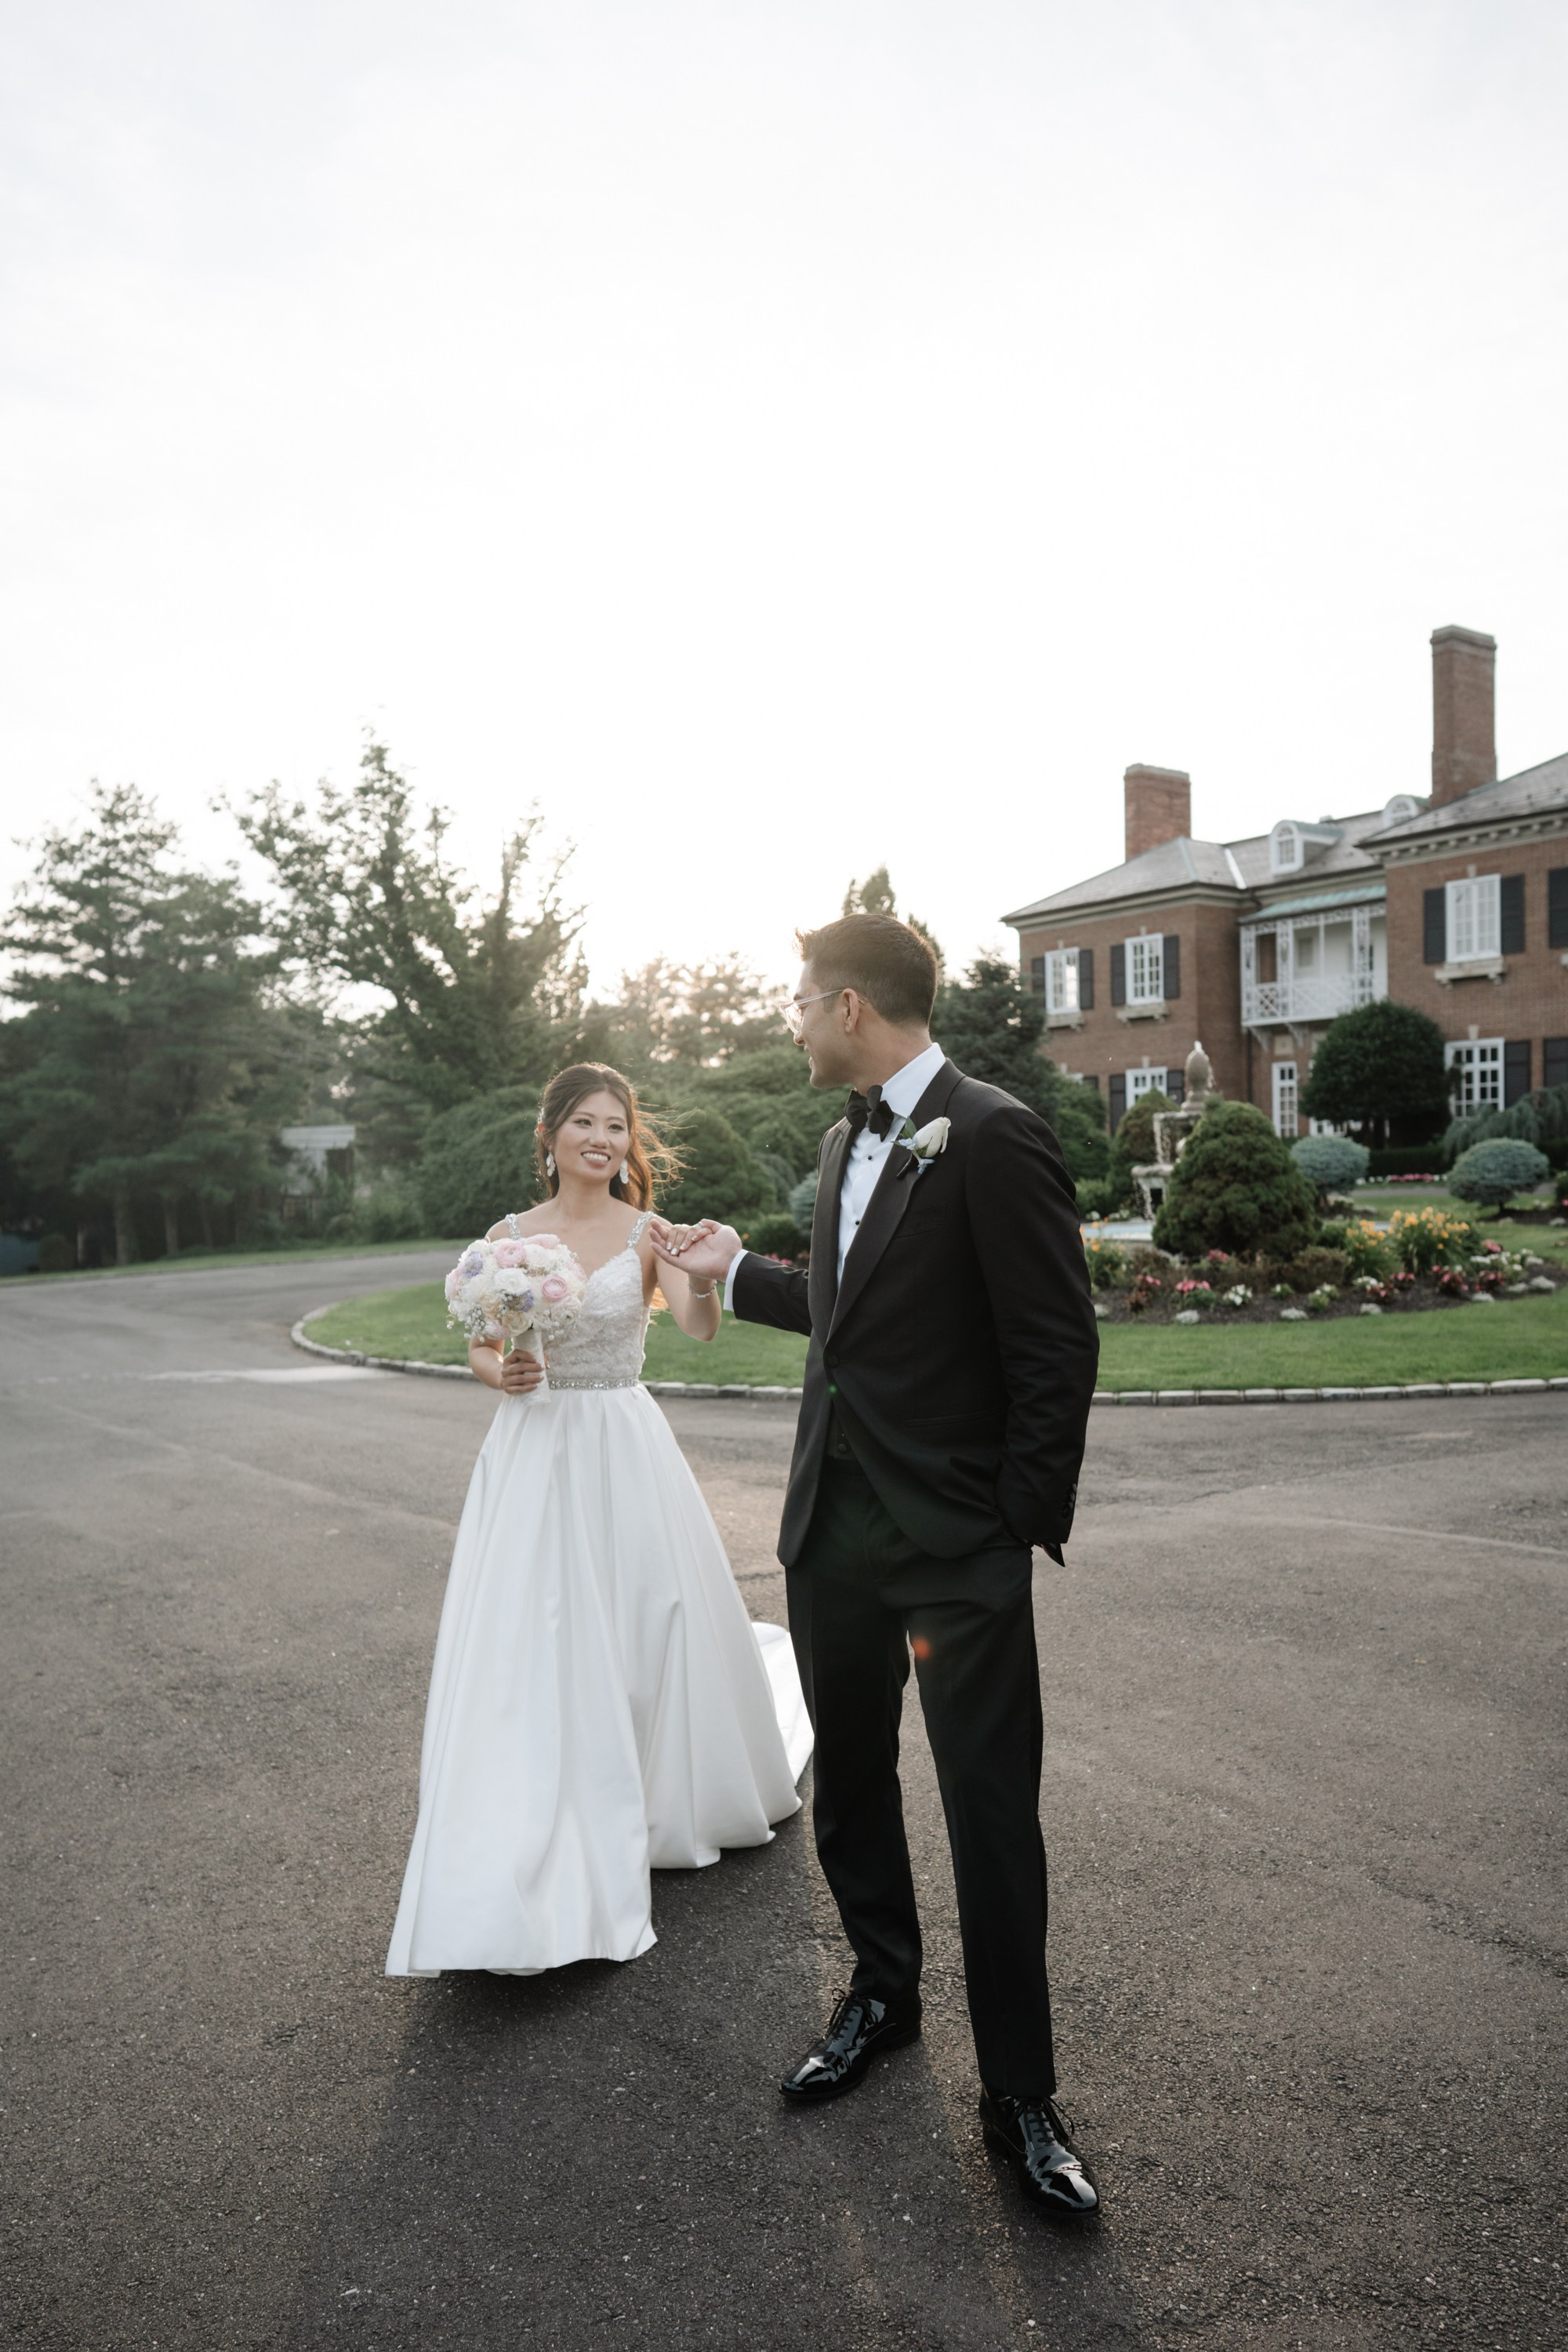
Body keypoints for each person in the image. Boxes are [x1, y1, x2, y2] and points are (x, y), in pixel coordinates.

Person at [655, 915, 1102, 2218]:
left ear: (852, 1007)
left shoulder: (996, 1132)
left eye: (799, 1002)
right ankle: (881, 1997)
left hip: (957, 1549)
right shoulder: (842, 1135)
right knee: (851, 1785)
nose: (788, 1023)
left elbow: (1055, 1347)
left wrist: (1009, 1521)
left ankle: (1020, 2094)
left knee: (988, 1817)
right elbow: (851, 1321)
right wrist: (733, 1271)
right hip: (830, 1538)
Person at [386, 1063, 811, 1980]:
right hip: (533, 1449)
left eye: (615, 1126)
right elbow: (479, 1339)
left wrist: (699, 1277)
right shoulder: (506, 1239)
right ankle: (528, 1817)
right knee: (531, 1637)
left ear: (629, 1142)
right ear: (548, 1137)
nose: (600, 1139)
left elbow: (696, 1330)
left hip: (622, 1441)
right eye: (583, 1122)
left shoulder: (646, 1232)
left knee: (643, 1620)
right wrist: (499, 1372)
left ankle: (656, 1795)